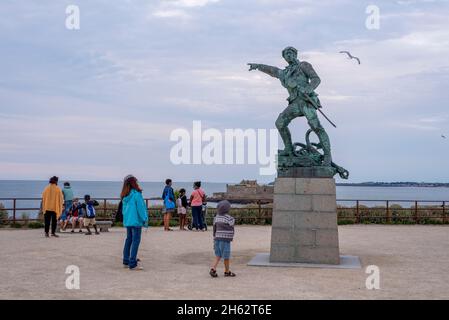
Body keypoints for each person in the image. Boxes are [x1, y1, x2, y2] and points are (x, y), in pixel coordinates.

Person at [121, 175, 148, 270]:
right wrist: (144, 219)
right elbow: (141, 208)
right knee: (135, 241)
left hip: (128, 221)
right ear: (134, 183)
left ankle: (126, 260)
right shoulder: (136, 194)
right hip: (136, 221)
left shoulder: (125, 195)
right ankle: (132, 263)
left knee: (129, 239)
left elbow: (123, 211)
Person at [210, 200, 236, 278]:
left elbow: (214, 228)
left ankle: (213, 268)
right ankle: (227, 271)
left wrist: (214, 237)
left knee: (218, 255)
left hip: (217, 238)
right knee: (226, 256)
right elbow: (232, 225)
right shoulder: (230, 218)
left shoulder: (216, 218)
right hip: (225, 239)